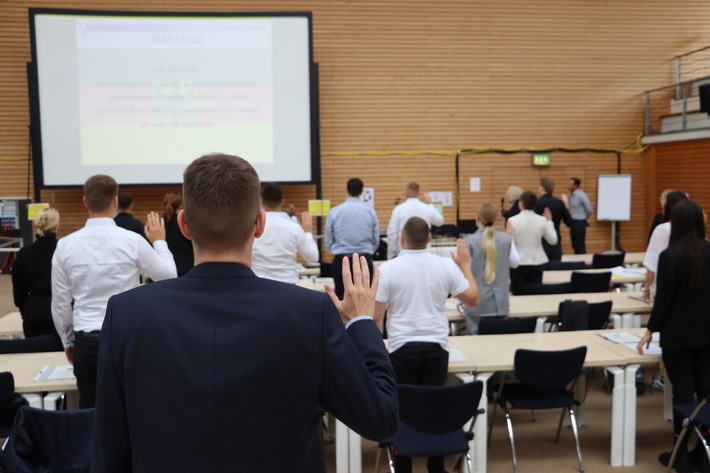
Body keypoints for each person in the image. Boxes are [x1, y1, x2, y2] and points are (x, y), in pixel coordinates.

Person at [91, 153, 398, 472]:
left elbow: (108, 451)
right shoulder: (310, 314)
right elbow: (381, 420)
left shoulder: (126, 313)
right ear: (260, 223)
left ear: (183, 225)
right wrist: (363, 322)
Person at [51, 175, 177, 408]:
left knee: (91, 413)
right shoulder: (132, 241)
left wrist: (68, 342)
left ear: (84, 201)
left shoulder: (65, 246)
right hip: (126, 337)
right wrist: (159, 242)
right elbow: (168, 277)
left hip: (86, 340)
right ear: (116, 201)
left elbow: (60, 304)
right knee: (132, 409)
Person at [375, 216, 478, 473]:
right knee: (435, 408)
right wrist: (465, 265)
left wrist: (376, 356)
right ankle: (436, 466)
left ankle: (403, 464)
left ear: (401, 239)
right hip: (436, 347)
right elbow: (473, 299)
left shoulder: (387, 269)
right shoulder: (445, 266)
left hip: (400, 348)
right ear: (430, 239)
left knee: (403, 408)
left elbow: (376, 318)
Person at [637, 200, 710, 473]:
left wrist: (649, 330)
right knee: (706, 392)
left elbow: (664, 302)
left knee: (682, 393)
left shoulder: (670, 256)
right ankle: (704, 453)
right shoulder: (709, 251)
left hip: (677, 337)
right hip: (707, 334)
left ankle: (679, 453)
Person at [463, 202, 520, 334]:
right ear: (495, 218)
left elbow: (464, 272)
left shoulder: (469, 241)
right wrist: (510, 237)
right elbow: (515, 263)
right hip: (500, 303)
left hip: (476, 304)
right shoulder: (506, 240)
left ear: (477, 217)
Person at [251, 182, 318, 284]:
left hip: (259, 285)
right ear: (282, 202)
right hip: (288, 286)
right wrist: (308, 232)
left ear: (261, 202)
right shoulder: (294, 228)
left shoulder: (253, 228)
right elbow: (313, 258)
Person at [11, 207, 61, 339]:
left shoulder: (24, 253)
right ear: (56, 226)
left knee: (33, 354)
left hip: (33, 310)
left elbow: (18, 289)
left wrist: (25, 310)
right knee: (63, 355)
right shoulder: (64, 249)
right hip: (60, 307)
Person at [326, 177, 380, 299]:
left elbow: (328, 241)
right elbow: (376, 239)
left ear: (346, 190)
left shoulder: (334, 212)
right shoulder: (370, 212)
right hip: (364, 260)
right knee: (365, 298)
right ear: (361, 192)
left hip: (341, 260)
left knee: (341, 298)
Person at [507, 191, 557, 295]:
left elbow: (508, 243)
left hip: (519, 262)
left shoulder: (512, 221)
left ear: (521, 203)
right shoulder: (542, 220)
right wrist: (549, 222)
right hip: (538, 261)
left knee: (518, 294)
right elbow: (553, 240)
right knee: (535, 295)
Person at [642, 191, 688, 303]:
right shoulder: (693, 230)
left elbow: (652, 264)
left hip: (666, 289)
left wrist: (646, 287)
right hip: (689, 290)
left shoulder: (662, 229)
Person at [386, 182, 444, 259]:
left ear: (406, 193)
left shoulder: (399, 209)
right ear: (418, 193)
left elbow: (392, 233)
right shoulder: (427, 208)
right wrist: (430, 204)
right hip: (425, 253)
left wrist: (393, 251)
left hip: (404, 253)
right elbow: (440, 221)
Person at [535, 177, 571, 261]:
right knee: (555, 268)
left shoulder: (537, 203)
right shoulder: (559, 203)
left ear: (542, 188)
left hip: (541, 241)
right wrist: (566, 206)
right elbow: (568, 222)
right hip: (556, 241)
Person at [163, 192, 194, 277]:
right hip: (186, 267)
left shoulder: (158, 223)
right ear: (180, 205)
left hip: (166, 267)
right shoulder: (183, 222)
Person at [561, 177, 593, 254]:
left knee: (580, 245)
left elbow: (589, 209)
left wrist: (584, 218)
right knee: (574, 244)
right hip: (574, 222)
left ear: (575, 186)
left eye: (570, 184)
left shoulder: (581, 195)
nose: (568, 185)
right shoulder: (571, 195)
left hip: (579, 222)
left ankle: (583, 262)